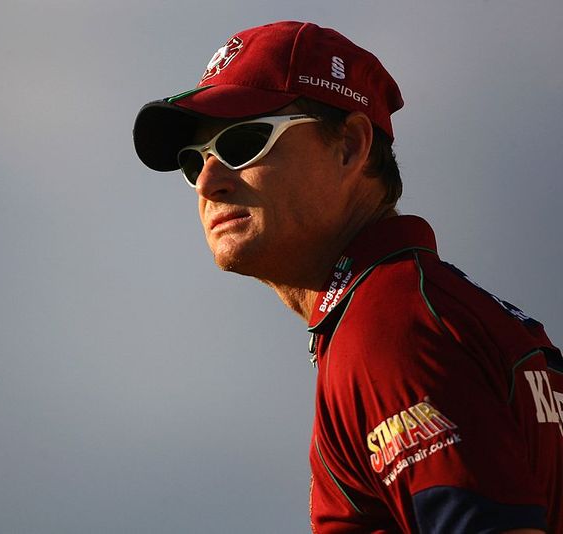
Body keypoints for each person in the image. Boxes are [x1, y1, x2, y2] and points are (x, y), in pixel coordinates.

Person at [132, 21, 562, 533]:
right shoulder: (411, 308)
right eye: (194, 161)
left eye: (243, 143)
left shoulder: (390, 328)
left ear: (350, 147)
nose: (208, 182)